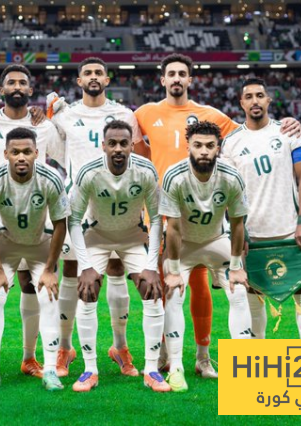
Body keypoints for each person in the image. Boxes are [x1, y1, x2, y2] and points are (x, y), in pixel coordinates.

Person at [134, 53, 301, 377]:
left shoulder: (211, 116)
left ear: (190, 79)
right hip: (162, 215)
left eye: (182, 73)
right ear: (163, 79)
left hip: (206, 220)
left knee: (200, 288)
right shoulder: (143, 113)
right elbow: (128, 142)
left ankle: (204, 357)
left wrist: (289, 124)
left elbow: (252, 131)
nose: (177, 78)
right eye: (172, 73)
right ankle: (164, 357)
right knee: (161, 290)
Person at [50, 57, 145, 378]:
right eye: (87, 73)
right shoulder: (65, 115)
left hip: (117, 205)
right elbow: (53, 151)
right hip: (78, 206)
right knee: (72, 272)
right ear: (79, 81)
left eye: (99, 73)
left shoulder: (124, 114)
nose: (93, 77)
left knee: (117, 270)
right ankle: (65, 348)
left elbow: (137, 155)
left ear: (107, 79)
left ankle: (120, 347)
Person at [0, 64, 65, 380]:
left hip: (35, 219)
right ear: (2, 90)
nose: (17, 87)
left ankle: (29, 357)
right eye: (10, 82)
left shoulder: (44, 126)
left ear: (30, 90)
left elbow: (62, 156)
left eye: (22, 82)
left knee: (29, 284)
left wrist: (58, 115)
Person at [68, 120, 167, 393]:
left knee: (151, 290)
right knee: (87, 291)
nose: (118, 149)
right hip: (96, 237)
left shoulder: (145, 170)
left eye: (124, 143)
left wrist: (151, 265)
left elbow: (156, 219)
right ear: (103, 146)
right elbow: (73, 220)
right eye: (112, 143)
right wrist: (85, 266)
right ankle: (90, 369)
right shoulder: (89, 172)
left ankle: (152, 370)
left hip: (132, 237)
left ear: (131, 145)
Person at [220, 78, 301, 340]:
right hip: (252, 235)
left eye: (260, 95)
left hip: (291, 231)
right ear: (241, 103)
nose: (255, 101)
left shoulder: (288, 133)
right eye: (249, 96)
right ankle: (257, 352)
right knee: (253, 294)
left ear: (268, 100)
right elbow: (228, 193)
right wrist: (238, 232)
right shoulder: (231, 143)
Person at [160, 121, 253, 392]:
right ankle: (176, 367)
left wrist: (236, 266)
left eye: (210, 146)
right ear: (188, 147)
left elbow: (238, 223)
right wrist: (173, 270)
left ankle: (243, 370)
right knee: (174, 293)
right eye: (198, 145)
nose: (204, 151)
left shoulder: (231, 176)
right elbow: (172, 228)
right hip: (184, 244)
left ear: (218, 148)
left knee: (238, 291)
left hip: (216, 240)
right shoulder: (174, 175)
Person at [0, 127, 69, 392]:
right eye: (15, 151)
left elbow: (60, 224)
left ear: (37, 153)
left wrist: (50, 269)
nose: (21, 157)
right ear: (5, 153)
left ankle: (50, 370)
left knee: (48, 296)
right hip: (6, 243)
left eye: (27, 151)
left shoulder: (51, 179)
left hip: (40, 244)